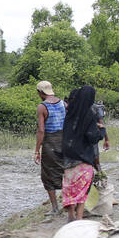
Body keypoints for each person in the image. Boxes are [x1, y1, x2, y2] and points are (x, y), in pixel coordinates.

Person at [57, 84, 107, 221]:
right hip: (83, 159)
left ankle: (71, 215)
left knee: (70, 189)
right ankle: (79, 219)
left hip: (68, 158)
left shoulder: (70, 113)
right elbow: (93, 138)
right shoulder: (89, 115)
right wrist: (102, 130)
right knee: (82, 192)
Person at [33, 80, 67, 219]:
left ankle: (55, 208)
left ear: (40, 93)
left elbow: (41, 130)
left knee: (48, 175)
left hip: (50, 143)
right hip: (64, 141)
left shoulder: (42, 107)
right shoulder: (63, 104)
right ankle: (69, 203)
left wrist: (37, 150)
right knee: (64, 171)